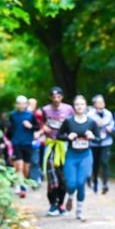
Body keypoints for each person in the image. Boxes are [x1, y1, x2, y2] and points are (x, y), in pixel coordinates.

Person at [57, 95, 100, 221]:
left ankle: (79, 210)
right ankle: (70, 196)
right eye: (77, 104)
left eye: (82, 104)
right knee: (71, 184)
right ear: (74, 107)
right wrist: (68, 137)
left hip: (85, 155)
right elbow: (59, 135)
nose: (80, 106)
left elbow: (99, 139)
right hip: (71, 155)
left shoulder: (91, 122)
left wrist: (92, 137)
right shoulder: (68, 121)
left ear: (85, 105)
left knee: (81, 182)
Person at [40, 87, 74, 216]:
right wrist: (44, 128)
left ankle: (61, 204)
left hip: (64, 146)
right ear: (50, 97)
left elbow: (73, 124)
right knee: (52, 176)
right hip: (51, 146)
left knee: (64, 177)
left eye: (58, 95)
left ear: (62, 97)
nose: (56, 98)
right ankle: (52, 204)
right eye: (53, 96)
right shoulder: (45, 110)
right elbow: (40, 123)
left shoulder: (68, 109)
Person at [7, 95, 40, 197]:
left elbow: (37, 127)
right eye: (19, 103)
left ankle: (23, 184)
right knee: (19, 166)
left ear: (26, 104)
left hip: (27, 143)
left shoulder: (30, 115)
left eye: (23, 103)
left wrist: (30, 126)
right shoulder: (12, 115)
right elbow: (10, 128)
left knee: (26, 168)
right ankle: (20, 187)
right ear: (16, 104)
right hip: (16, 143)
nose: (21, 105)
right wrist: (9, 139)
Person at [88, 95, 115, 195]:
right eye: (99, 102)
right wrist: (95, 126)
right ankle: (95, 182)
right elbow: (87, 126)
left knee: (104, 162)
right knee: (95, 164)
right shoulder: (90, 114)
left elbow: (113, 124)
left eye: (102, 102)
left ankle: (105, 184)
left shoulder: (108, 113)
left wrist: (110, 128)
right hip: (94, 143)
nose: (101, 104)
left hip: (106, 142)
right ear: (94, 104)